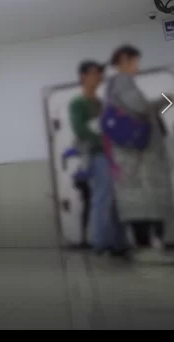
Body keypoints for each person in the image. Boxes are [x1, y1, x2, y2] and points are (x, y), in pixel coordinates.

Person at [105, 45, 173, 263]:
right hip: (139, 157)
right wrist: (164, 98)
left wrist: (166, 101)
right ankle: (147, 249)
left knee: (144, 201)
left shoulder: (117, 86)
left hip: (138, 157)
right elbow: (141, 108)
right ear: (124, 60)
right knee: (145, 202)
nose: (138, 66)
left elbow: (146, 112)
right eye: (135, 61)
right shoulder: (122, 82)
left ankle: (148, 246)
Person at [69, 60, 127, 256]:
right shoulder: (78, 103)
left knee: (116, 200)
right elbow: (81, 130)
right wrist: (103, 140)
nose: (99, 77)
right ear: (83, 76)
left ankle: (119, 242)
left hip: (111, 155)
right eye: (94, 73)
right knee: (102, 198)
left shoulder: (100, 103)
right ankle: (101, 243)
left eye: (100, 73)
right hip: (96, 155)